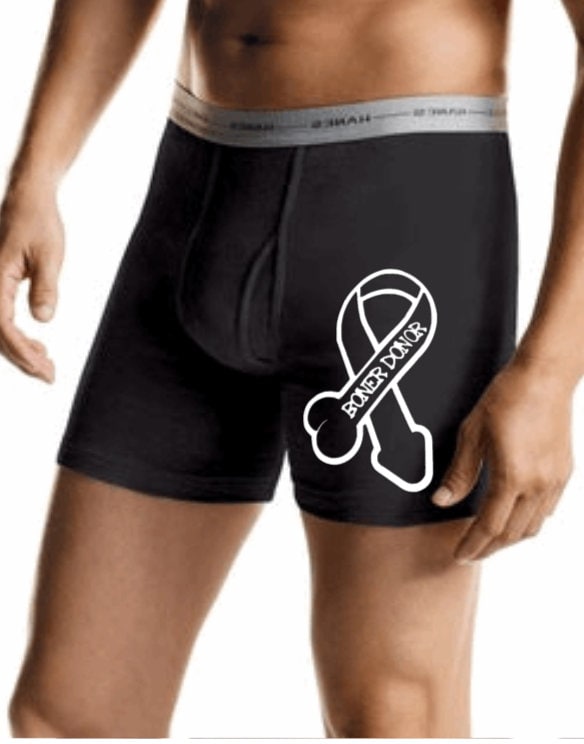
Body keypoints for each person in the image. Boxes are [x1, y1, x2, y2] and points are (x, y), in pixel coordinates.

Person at [0, 0, 582, 738]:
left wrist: (551, 371)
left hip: (404, 212)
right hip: (197, 199)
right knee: (70, 712)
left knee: (393, 713)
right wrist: (36, 174)